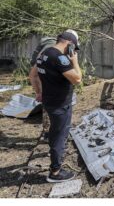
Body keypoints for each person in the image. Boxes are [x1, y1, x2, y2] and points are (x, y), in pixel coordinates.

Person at [30, 29, 82, 182]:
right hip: (61, 104)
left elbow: (32, 75)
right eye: (74, 47)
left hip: (49, 101)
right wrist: (75, 61)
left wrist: (39, 92)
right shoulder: (60, 58)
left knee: (54, 131)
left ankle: (55, 157)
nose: (73, 51)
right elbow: (77, 79)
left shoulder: (43, 54)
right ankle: (55, 172)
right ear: (70, 43)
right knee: (60, 136)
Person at [29, 37, 57, 142]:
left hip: (44, 71)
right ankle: (47, 133)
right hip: (42, 72)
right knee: (48, 102)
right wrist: (39, 92)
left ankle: (48, 132)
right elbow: (33, 75)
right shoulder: (48, 51)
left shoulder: (51, 48)